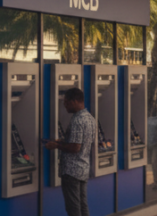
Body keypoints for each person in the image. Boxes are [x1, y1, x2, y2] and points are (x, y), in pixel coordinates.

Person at [45, 87, 96, 216]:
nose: (65, 106)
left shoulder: (77, 120)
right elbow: (80, 142)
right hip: (83, 168)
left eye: (66, 103)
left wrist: (56, 145)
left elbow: (75, 147)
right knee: (83, 206)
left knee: (73, 208)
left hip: (72, 171)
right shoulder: (90, 118)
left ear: (74, 101)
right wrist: (63, 140)